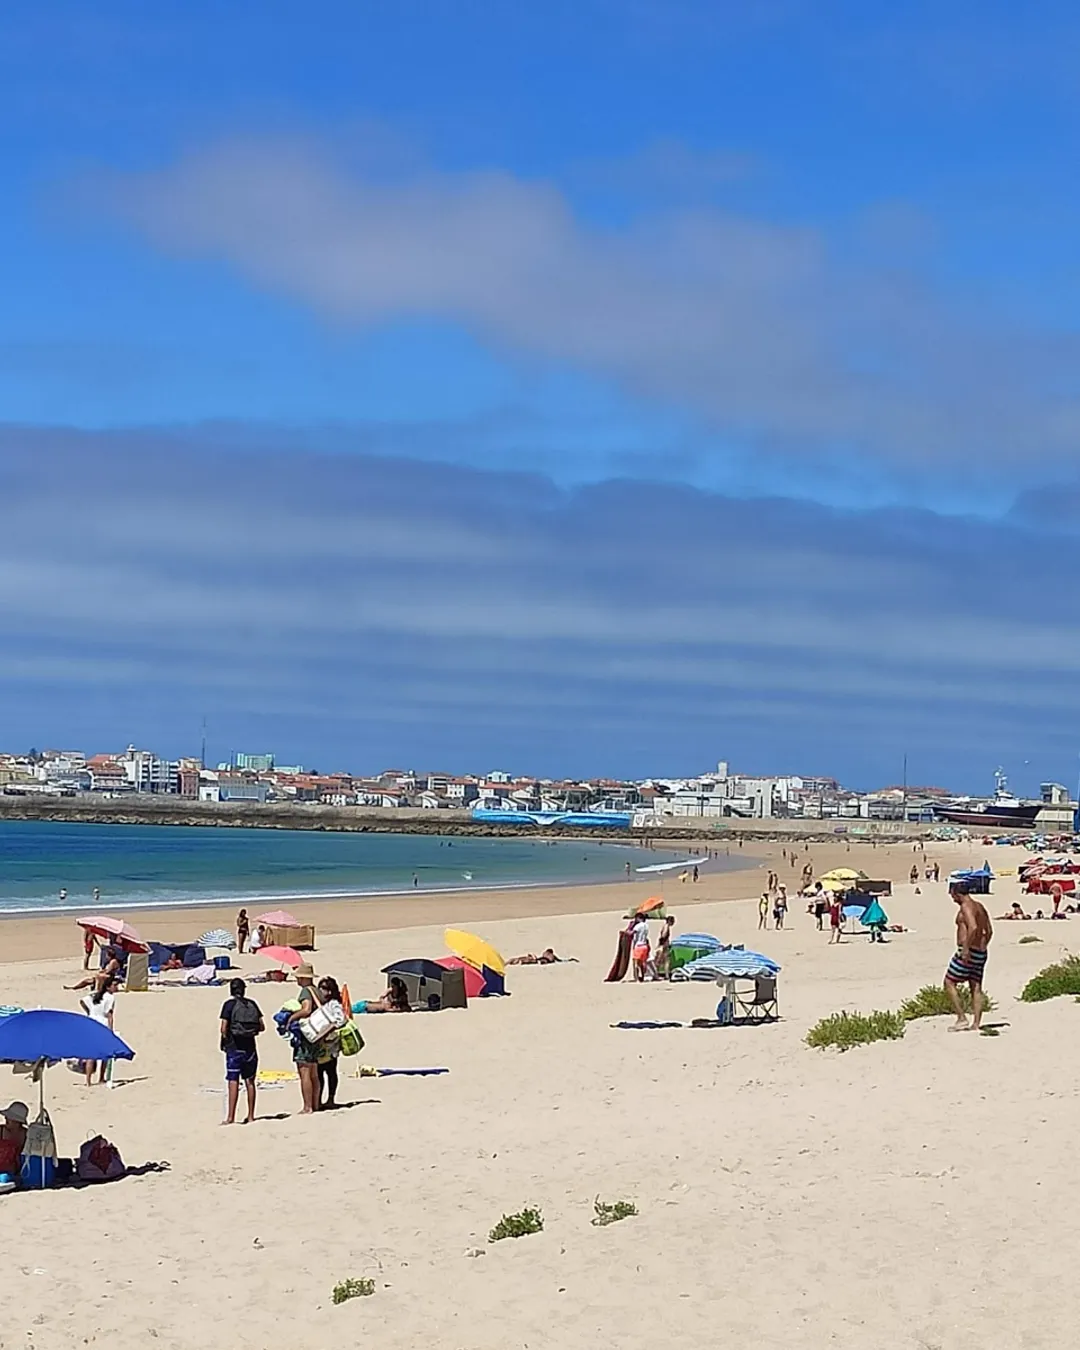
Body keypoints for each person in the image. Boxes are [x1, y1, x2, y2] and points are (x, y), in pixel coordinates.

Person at [944, 882, 993, 1031]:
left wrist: (966, 948)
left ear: (957, 894)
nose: (952, 898)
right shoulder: (980, 906)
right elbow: (989, 930)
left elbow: (973, 927)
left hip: (968, 951)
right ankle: (976, 1023)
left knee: (949, 982)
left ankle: (961, 1018)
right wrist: (983, 945)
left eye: (952, 894)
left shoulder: (966, 907)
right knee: (976, 986)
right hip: (981, 952)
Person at [219, 977, 264, 1125]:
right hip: (250, 1046)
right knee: (250, 1082)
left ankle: (231, 1117)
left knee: (233, 1081)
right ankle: (251, 1116)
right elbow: (262, 1026)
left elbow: (223, 1028)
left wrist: (225, 1040)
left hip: (234, 1047)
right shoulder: (252, 1004)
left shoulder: (229, 1005)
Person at [286, 964, 321, 1114]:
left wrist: (291, 1018)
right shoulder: (317, 991)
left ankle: (308, 1107)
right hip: (317, 1034)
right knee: (314, 1072)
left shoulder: (306, 992)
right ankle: (315, 1103)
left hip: (307, 1035)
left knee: (304, 1072)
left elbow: (306, 1010)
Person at [79, 977, 118, 1086]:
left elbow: (82, 1001)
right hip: (102, 1024)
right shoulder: (110, 998)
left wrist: (89, 1012)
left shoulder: (94, 995)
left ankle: (88, 1080)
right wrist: (111, 1030)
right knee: (105, 1054)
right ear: (108, 986)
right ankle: (101, 1078)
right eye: (114, 985)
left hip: (91, 1024)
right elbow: (110, 1015)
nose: (116, 988)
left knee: (91, 1054)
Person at [315, 976, 344, 1110]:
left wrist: (325, 1033)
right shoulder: (318, 1003)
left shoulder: (334, 1004)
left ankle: (331, 1099)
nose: (322, 991)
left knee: (330, 1071)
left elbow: (340, 1020)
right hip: (320, 1043)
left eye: (324, 989)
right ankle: (319, 1100)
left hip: (331, 1044)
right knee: (319, 1073)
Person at [0, 1102, 28, 1178]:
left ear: (17, 1121)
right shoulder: (1, 1130)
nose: (5, 1118)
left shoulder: (27, 1135)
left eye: (9, 1118)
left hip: (15, 1171)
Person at [631, 914, 650, 982]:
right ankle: (642, 977)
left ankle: (637, 979)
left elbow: (632, 933)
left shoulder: (638, 926)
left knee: (636, 963)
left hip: (638, 946)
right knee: (641, 963)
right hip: (644, 946)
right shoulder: (646, 926)